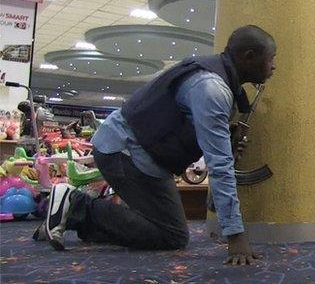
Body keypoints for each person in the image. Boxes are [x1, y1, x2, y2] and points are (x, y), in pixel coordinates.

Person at [36, 25, 276, 266]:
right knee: (171, 235)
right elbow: (219, 165)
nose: (273, 66)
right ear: (249, 57)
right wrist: (235, 235)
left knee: (167, 231)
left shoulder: (215, 78)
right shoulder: (212, 89)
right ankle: (76, 204)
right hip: (123, 150)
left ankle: (66, 215)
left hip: (142, 155)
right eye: (270, 59)